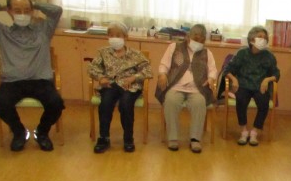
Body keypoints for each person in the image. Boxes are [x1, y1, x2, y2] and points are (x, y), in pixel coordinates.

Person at [0, 0, 64, 152]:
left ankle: (42, 132)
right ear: (9, 11)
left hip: (40, 80)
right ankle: (19, 132)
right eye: (17, 10)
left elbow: (56, 11)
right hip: (12, 81)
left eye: (27, 10)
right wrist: (1, 6)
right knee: (1, 104)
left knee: (56, 104)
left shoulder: (44, 30)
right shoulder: (1, 31)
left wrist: (34, 4)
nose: (23, 14)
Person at [88, 22, 153, 153]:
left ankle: (128, 138)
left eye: (118, 35)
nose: (114, 38)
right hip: (110, 84)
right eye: (111, 35)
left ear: (125, 37)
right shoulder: (103, 52)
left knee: (126, 103)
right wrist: (101, 78)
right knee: (105, 103)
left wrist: (134, 77)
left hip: (129, 85)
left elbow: (148, 70)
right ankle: (104, 138)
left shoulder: (135, 54)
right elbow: (92, 68)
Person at [156, 24, 217, 153]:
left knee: (200, 103)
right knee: (171, 101)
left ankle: (195, 139)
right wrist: (162, 74)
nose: (198, 42)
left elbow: (213, 70)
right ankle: (173, 138)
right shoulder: (174, 47)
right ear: (188, 37)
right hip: (175, 85)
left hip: (197, 88)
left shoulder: (207, 53)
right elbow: (164, 65)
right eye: (196, 38)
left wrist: (211, 78)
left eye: (202, 40)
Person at [222, 25, 280, 147]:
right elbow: (227, 70)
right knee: (241, 99)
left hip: (260, 86)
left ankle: (254, 132)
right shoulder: (242, 53)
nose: (263, 39)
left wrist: (267, 79)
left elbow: (276, 74)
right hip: (244, 84)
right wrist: (234, 79)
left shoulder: (269, 56)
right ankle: (243, 131)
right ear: (252, 39)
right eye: (260, 37)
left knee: (263, 102)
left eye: (265, 37)